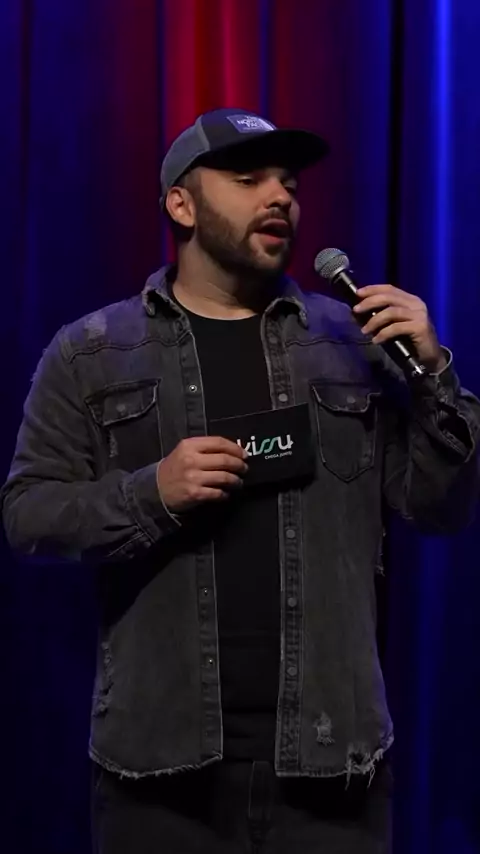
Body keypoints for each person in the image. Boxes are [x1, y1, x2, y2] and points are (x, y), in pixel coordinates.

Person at [2, 107, 480, 854]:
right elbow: (28, 514)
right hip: (160, 777)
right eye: (249, 179)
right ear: (181, 204)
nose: (281, 196)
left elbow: (438, 507)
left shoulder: (351, 342)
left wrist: (435, 373)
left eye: (289, 183)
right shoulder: (92, 353)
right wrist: (151, 493)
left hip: (332, 770)